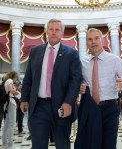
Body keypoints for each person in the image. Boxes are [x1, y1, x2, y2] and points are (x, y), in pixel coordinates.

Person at [20, 19, 82, 149]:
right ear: (46, 31)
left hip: (61, 106)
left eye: (57, 30)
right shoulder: (35, 51)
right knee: (38, 145)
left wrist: (68, 102)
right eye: (51, 29)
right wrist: (24, 98)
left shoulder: (72, 54)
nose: (54, 32)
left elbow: (75, 80)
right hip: (38, 107)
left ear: (62, 33)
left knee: (62, 144)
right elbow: (28, 78)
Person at [75, 28, 122, 149]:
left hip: (109, 108)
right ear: (86, 43)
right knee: (91, 144)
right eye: (90, 39)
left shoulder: (114, 59)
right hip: (89, 109)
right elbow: (79, 83)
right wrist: (80, 88)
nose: (93, 42)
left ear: (102, 40)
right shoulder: (82, 62)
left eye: (96, 38)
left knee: (109, 145)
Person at [1, 71, 20, 149]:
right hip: (11, 103)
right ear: (14, 76)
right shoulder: (10, 80)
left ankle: (5, 143)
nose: (16, 80)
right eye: (16, 78)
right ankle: (10, 145)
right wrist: (17, 92)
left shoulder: (5, 81)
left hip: (7, 104)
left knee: (6, 125)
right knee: (12, 124)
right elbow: (11, 90)